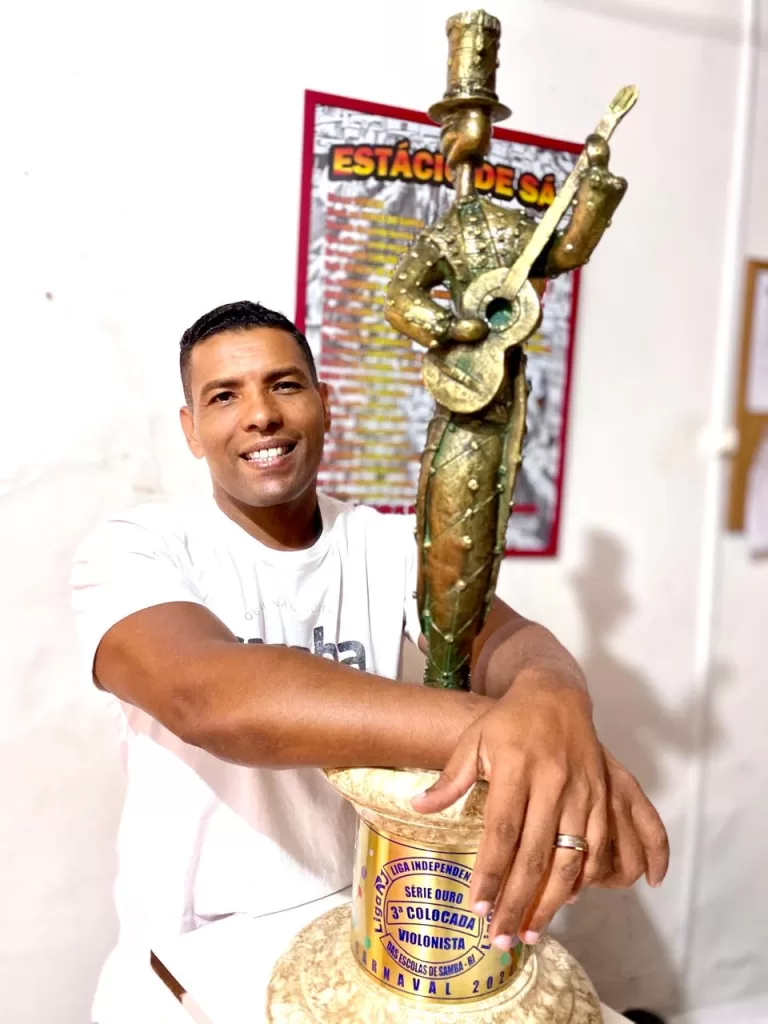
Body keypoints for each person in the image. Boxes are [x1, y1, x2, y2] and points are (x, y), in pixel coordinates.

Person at [70, 300, 668, 1019]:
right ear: (191, 429)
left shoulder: (385, 544)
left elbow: (509, 640)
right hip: (197, 959)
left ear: (324, 404)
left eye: (284, 385)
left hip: (365, 918)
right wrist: (513, 735)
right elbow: (210, 699)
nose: (260, 415)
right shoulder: (135, 548)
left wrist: (555, 704)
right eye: (224, 396)